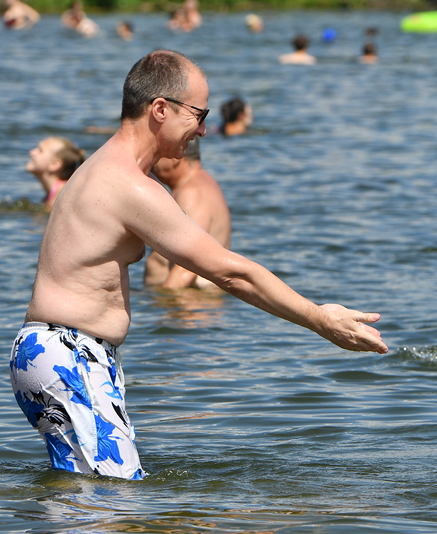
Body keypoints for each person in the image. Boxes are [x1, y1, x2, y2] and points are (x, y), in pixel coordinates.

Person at [10, 50, 385, 480]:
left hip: (53, 351)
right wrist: (320, 318)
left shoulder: (101, 168)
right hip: (69, 355)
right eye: (198, 114)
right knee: (113, 502)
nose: (204, 130)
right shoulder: (130, 186)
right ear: (160, 110)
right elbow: (230, 272)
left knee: (86, 504)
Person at [143, 140, 231, 289]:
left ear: (177, 156)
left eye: (157, 153)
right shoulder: (201, 183)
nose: (152, 159)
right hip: (188, 300)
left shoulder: (192, 192)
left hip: (187, 304)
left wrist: (166, 300)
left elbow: (191, 264)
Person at [24, 136, 86, 212]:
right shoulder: (54, 194)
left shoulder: (62, 195)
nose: (32, 152)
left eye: (40, 150)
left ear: (54, 164)